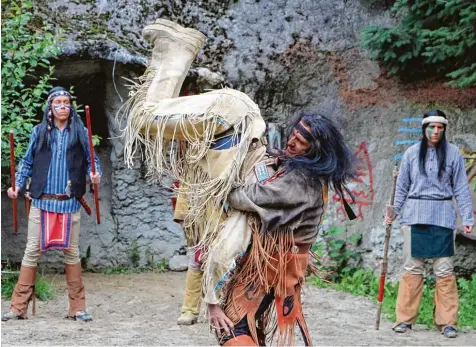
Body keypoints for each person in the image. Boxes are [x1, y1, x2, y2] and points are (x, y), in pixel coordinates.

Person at [206, 113, 357, 346]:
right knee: (246, 323)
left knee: (234, 327)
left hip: (274, 266)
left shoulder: (301, 182)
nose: (291, 142)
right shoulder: (305, 175)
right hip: (278, 265)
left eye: (300, 141)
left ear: (314, 151)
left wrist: (217, 185)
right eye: (293, 135)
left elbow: (247, 197)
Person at [2, 87, 102, 322]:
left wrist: (95, 174)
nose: (63, 105)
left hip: (69, 203)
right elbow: (26, 163)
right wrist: (16, 186)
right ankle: (18, 307)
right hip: (41, 202)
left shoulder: (80, 131)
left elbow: (92, 161)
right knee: (31, 252)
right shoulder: (39, 132)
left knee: (72, 253)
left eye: (66, 101)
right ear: (50, 107)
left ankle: (77, 308)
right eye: (58, 101)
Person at [385, 110, 474, 338]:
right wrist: (392, 213)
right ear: (424, 129)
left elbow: (462, 188)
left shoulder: (453, 153)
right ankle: (404, 320)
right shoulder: (412, 153)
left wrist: (468, 218)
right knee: (413, 267)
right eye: (431, 127)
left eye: (440, 128)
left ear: (444, 130)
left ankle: (448, 322)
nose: (435, 132)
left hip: (443, 216)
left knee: (444, 269)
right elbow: (402, 186)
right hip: (415, 216)